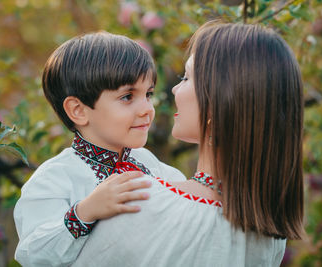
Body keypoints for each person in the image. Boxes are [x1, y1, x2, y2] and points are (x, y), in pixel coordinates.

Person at [72, 21, 305, 267]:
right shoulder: (268, 235)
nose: (174, 89)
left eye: (186, 78)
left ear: (216, 104)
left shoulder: (139, 202)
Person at [13, 32, 186, 266]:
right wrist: (84, 213)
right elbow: (34, 255)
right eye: (127, 97)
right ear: (78, 110)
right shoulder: (53, 180)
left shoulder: (150, 164)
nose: (147, 108)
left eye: (148, 94)